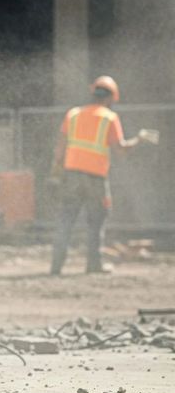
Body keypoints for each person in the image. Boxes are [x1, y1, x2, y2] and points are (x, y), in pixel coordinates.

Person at [49, 75, 156, 276]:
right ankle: (93, 265)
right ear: (110, 97)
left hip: (71, 175)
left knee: (65, 220)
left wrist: (55, 173)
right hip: (95, 178)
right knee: (96, 222)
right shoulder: (109, 118)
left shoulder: (73, 114)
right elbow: (121, 150)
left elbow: (60, 147)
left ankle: (56, 266)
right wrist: (139, 140)